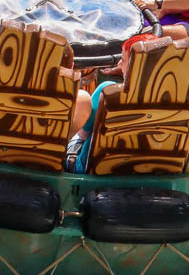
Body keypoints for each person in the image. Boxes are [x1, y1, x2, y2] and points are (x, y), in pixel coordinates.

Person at [65, 32, 158, 172]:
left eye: (124, 60)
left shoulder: (108, 90)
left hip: (95, 168)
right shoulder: (179, 98)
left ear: (135, 67)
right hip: (152, 167)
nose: (119, 63)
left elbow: (84, 134)